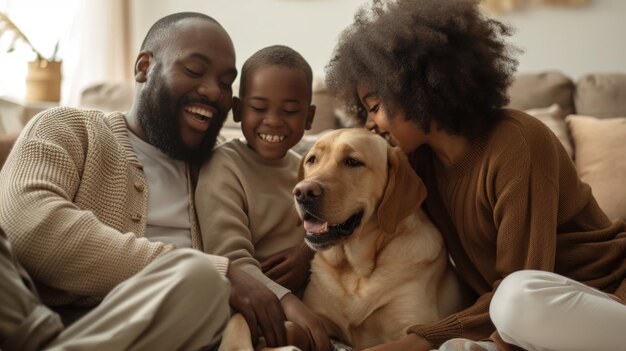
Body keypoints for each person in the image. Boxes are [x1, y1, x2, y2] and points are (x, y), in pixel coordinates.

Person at [323, 1, 626, 351]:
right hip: (540, 323)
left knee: (515, 299)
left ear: (418, 89)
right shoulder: (417, 164)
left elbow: (523, 276)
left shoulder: (517, 142)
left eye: (375, 106)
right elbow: (362, 216)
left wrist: (417, 341)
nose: (369, 124)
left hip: (607, 295)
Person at [0, 12, 289, 350]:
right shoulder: (67, 127)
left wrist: (305, 253)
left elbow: (307, 184)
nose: (213, 91)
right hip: (32, 317)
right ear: (144, 67)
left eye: (226, 82)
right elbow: (26, 226)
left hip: (170, 325)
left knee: (201, 283)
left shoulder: (232, 163)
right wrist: (222, 271)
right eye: (195, 71)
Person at [195, 45, 330, 351]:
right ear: (238, 109)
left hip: (316, 298)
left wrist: (307, 253)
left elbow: (331, 229)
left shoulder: (309, 168)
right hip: (252, 299)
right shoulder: (223, 166)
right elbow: (231, 260)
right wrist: (289, 302)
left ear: (309, 117)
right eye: (259, 108)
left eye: (290, 111)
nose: (273, 121)